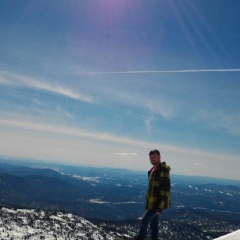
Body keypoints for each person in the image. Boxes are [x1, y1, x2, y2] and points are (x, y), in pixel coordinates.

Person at [134, 149, 171, 240]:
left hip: (157, 204)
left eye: (154, 157)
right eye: (150, 157)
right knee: (154, 226)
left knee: (144, 221)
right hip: (152, 203)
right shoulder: (152, 171)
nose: (152, 159)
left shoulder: (163, 170)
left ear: (159, 157)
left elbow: (165, 190)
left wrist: (160, 207)